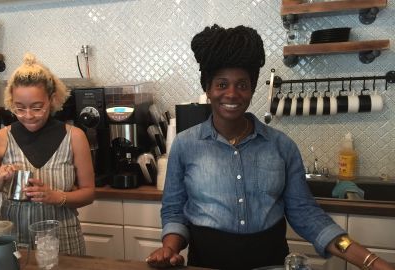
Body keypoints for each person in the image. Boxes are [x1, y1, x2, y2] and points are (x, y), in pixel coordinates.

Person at [146, 25, 395, 270]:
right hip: (206, 263)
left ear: (252, 89)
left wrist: (371, 262)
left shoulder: (281, 146)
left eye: (242, 84)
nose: (232, 93)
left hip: (271, 262)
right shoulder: (185, 145)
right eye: (222, 84)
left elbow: (306, 213)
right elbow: (174, 210)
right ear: (208, 89)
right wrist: (170, 248)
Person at [0, 53, 95, 255]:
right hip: (16, 244)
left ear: (52, 99)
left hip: (63, 242)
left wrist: (56, 197)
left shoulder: (75, 137)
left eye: (37, 107)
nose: (28, 116)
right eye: (19, 108)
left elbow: (89, 193)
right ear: (11, 102)